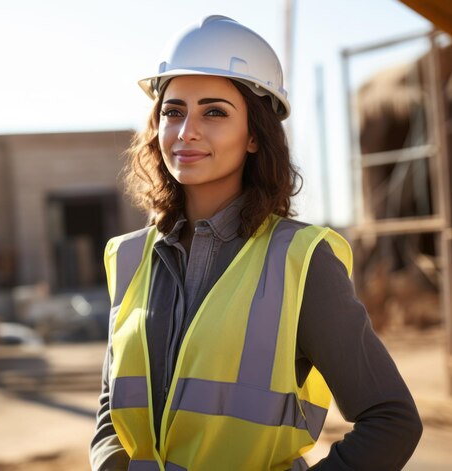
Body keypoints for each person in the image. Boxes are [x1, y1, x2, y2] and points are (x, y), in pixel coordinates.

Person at [90, 15, 422, 470]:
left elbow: (392, 420)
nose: (186, 130)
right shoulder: (128, 257)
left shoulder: (301, 261)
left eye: (214, 112)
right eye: (173, 111)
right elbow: (112, 414)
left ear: (253, 135)